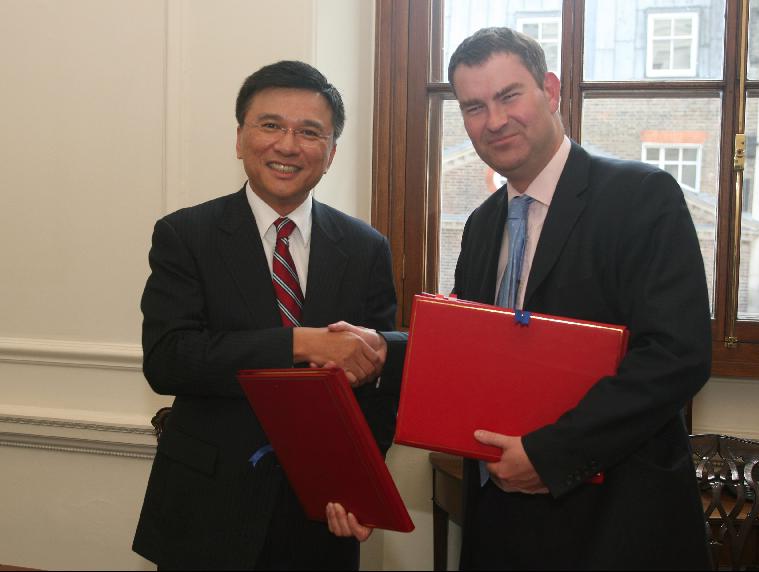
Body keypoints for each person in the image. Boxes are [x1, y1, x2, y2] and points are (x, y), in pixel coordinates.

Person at [336, 26, 712, 569]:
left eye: (509, 95)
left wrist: (551, 454)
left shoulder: (641, 196)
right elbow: (475, 352)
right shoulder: (482, 224)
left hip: (615, 525)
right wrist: (381, 350)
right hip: (501, 526)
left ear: (551, 90)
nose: (494, 120)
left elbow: (677, 355)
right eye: (473, 106)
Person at [132, 60, 399, 570]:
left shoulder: (365, 248)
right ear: (240, 138)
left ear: (332, 152)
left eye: (309, 132)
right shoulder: (186, 236)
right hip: (207, 510)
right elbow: (168, 359)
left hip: (319, 515)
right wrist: (301, 344)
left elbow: (378, 384)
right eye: (270, 125)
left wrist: (358, 485)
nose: (287, 145)